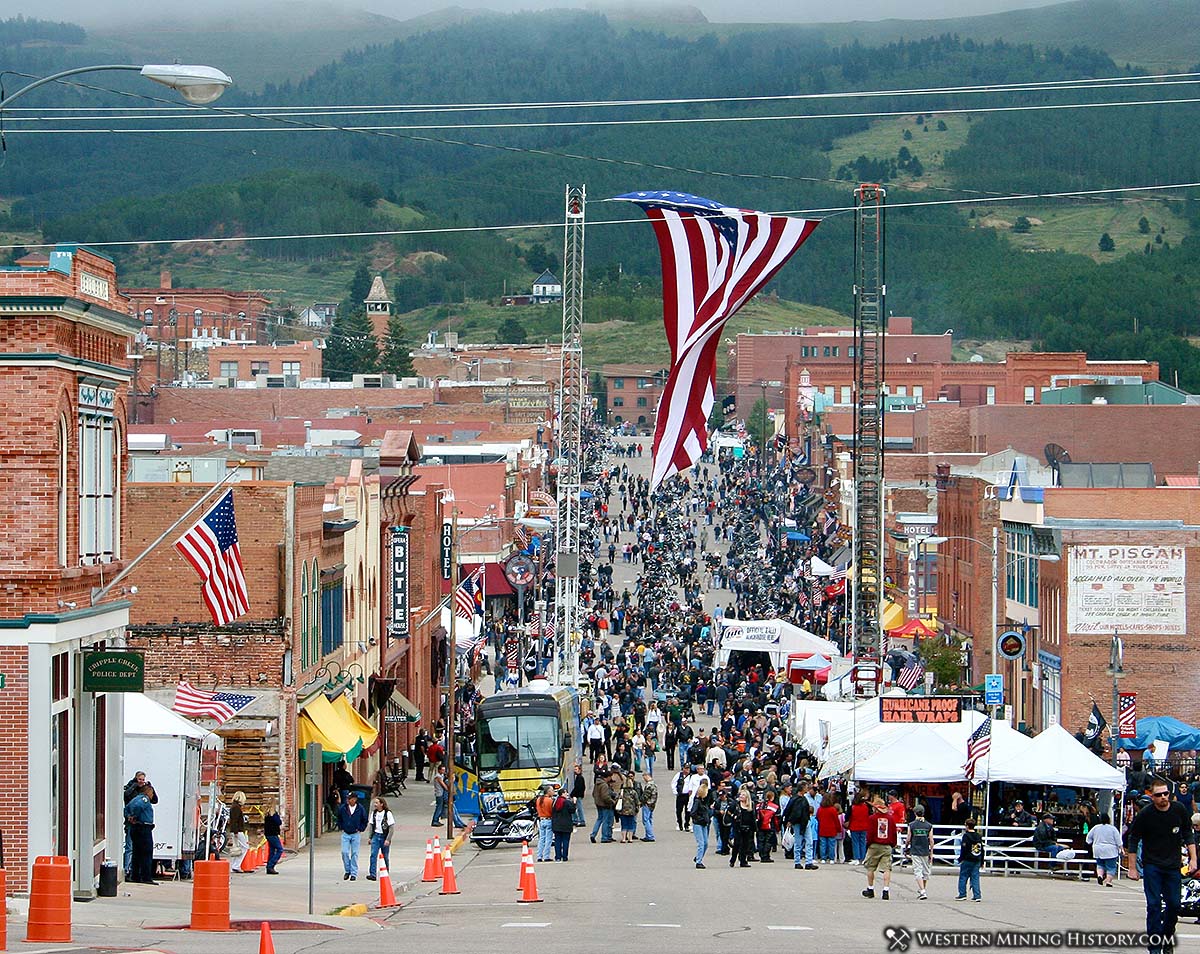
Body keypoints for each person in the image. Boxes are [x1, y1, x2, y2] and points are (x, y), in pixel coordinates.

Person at [1127, 777, 1198, 954]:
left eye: (1166, 793)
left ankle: (1166, 937)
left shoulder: (1179, 810)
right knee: (1154, 905)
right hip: (1153, 866)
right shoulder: (1146, 814)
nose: (1164, 797)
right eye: (1159, 795)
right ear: (1152, 797)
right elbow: (1133, 839)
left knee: (1174, 905)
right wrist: (1132, 867)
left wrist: (1193, 859)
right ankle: (1155, 947)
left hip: (1173, 866)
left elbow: (1188, 834)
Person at [862, 794, 896, 900]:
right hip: (887, 846)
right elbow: (893, 833)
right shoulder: (890, 819)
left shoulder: (872, 818)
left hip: (874, 845)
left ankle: (870, 888)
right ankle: (886, 890)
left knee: (870, 867)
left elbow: (870, 834)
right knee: (886, 869)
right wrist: (893, 844)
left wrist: (868, 844)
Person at [125, 783, 157, 884]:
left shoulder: (134, 798)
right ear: (148, 792)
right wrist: (134, 816)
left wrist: (129, 816)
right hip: (143, 827)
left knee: (137, 853)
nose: (152, 795)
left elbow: (126, 809)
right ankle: (146, 877)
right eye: (152, 792)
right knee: (146, 853)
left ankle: (135, 876)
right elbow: (138, 807)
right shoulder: (144, 799)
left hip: (136, 828)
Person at [336, 790, 368, 881]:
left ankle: (354, 873)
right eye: (348, 798)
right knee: (344, 852)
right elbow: (339, 818)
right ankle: (347, 870)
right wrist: (341, 826)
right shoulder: (343, 808)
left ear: (354, 799)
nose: (348, 800)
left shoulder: (360, 808)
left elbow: (364, 820)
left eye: (350, 799)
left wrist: (361, 828)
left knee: (355, 853)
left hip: (355, 834)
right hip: (346, 833)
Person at [783, 780, 815, 870]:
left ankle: (807, 862)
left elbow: (789, 810)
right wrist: (791, 821)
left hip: (804, 822)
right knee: (800, 842)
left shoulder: (798, 798)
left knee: (807, 842)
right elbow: (794, 812)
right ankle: (798, 861)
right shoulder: (798, 799)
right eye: (806, 787)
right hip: (798, 823)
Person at [1085, 812, 1122, 887]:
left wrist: (1090, 842)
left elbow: (1088, 837)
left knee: (1100, 864)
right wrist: (1121, 848)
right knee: (1111, 866)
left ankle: (1100, 876)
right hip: (1110, 850)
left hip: (1097, 849)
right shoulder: (1112, 828)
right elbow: (1118, 840)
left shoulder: (1096, 827)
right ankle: (1108, 881)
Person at [908, 805, 934, 900]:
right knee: (925, 872)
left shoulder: (912, 825)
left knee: (918, 871)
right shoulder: (929, 825)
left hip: (915, 850)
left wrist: (906, 846)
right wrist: (931, 852)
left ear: (915, 813)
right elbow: (931, 840)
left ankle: (922, 891)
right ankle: (923, 889)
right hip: (925, 851)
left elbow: (908, 838)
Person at [956, 816, 984, 902]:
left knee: (963, 877)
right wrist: (982, 860)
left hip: (967, 859)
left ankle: (962, 894)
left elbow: (964, 848)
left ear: (967, 826)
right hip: (977, 859)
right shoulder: (978, 836)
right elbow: (981, 848)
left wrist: (960, 858)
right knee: (975, 877)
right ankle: (977, 895)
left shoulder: (966, 836)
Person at [367, 796, 395, 881]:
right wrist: (370, 837)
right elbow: (371, 825)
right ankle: (373, 874)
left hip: (384, 836)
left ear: (382, 804)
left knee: (385, 856)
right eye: (374, 803)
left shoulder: (387, 813)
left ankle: (385, 873)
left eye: (377, 803)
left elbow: (391, 827)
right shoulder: (374, 813)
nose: (375, 805)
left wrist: (388, 839)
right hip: (376, 835)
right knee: (373, 855)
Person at [729, 787, 756, 868]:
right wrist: (733, 816)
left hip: (747, 827)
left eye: (743, 795)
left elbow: (753, 817)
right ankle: (733, 860)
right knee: (737, 844)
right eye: (740, 795)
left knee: (745, 844)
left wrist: (754, 828)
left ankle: (743, 861)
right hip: (738, 827)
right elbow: (729, 811)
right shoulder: (735, 804)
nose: (741, 796)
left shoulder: (751, 805)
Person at [690, 776, 713, 867]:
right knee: (701, 843)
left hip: (704, 823)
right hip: (698, 824)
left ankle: (698, 857)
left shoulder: (704, 801)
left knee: (706, 843)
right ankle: (698, 862)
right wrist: (700, 819)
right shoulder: (697, 801)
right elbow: (693, 813)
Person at [550, 782, 576, 862]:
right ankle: (564, 856)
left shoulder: (555, 802)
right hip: (566, 824)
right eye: (566, 792)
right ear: (563, 793)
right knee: (565, 841)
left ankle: (558, 856)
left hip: (556, 824)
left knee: (557, 841)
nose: (567, 794)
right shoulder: (567, 802)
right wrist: (574, 803)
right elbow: (572, 811)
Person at [590, 768, 616, 844]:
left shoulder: (597, 783)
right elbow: (605, 797)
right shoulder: (604, 785)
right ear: (607, 777)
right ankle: (605, 837)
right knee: (606, 821)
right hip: (605, 805)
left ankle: (593, 834)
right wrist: (612, 802)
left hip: (598, 804)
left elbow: (593, 794)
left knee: (599, 819)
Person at [615, 769, 640, 843]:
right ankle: (630, 838)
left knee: (624, 825)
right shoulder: (633, 792)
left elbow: (617, 799)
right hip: (631, 811)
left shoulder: (622, 792)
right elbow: (637, 801)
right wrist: (637, 808)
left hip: (623, 811)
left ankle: (623, 838)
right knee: (631, 825)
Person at [847, 789, 870, 865]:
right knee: (862, 842)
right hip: (864, 827)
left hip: (854, 827)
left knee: (855, 843)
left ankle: (856, 858)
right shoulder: (866, 807)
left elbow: (847, 817)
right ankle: (863, 858)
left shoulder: (852, 807)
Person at [228, 792, 250, 871]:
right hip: (238, 831)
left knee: (237, 848)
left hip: (235, 830)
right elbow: (234, 821)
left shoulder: (234, 806)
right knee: (244, 847)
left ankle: (234, 865)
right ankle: (236, 865)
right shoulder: (236, 808)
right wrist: (236, 832)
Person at [817, 794, 841, 864]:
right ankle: (831, 859)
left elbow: (818, 818)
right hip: (831, 829)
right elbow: (836, 820)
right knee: (831, 845)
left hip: (822, 828)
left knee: (823, 844)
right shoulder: (833, 810)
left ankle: (823, 858)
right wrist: (838, 829)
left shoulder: (820, 809)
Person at [535, 783, 557, 862]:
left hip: (541, 820)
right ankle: (546, 856)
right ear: (548, 792)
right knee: (548, 839)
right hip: (548, 819)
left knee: (541, 839)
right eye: (552, 790)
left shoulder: (539, 800)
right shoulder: (550, 800)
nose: (553, 792)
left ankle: (539, 856)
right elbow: (552, 811)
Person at [263, 801, 284, 875]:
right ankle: (271, 865)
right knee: (280, 849)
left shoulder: (266, 814)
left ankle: (269, 868)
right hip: (273, 834)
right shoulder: (274, 814)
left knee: (272, 850)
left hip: (268, 834)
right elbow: (279, 822)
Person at [637, 771, 658, 842]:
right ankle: (648, 834)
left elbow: (645, 796)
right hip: (652, 804)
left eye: (644, 777)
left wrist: (640, 802)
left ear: (647, 776)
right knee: (649, 820)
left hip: (647, 804)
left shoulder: (649, 785)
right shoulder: (654, 785)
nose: (644, 779)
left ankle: (650, 836)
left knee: (645, 820)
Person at [672, 765, 692, 831]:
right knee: (679, 811)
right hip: (680, 795)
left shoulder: (691, 776)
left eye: (688, 768)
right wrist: (675, 792)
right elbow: (673, 783)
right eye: (686, 768)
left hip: (688, 796)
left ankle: (687, 824)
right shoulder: (678, 775)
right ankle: (679, 824)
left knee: (688, 810)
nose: (687, 770)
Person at [570, 762, 587, 827]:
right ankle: (576, 820)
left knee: (579, 808)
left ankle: (581, 820)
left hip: (577, 796)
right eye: (574, 769)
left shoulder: (579, 778)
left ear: (579, 770)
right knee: (576, 808)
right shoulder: (579, 777)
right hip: (578, 795)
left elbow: (578, 788)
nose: (575, 771)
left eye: (576, 769)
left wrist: (573, 795)